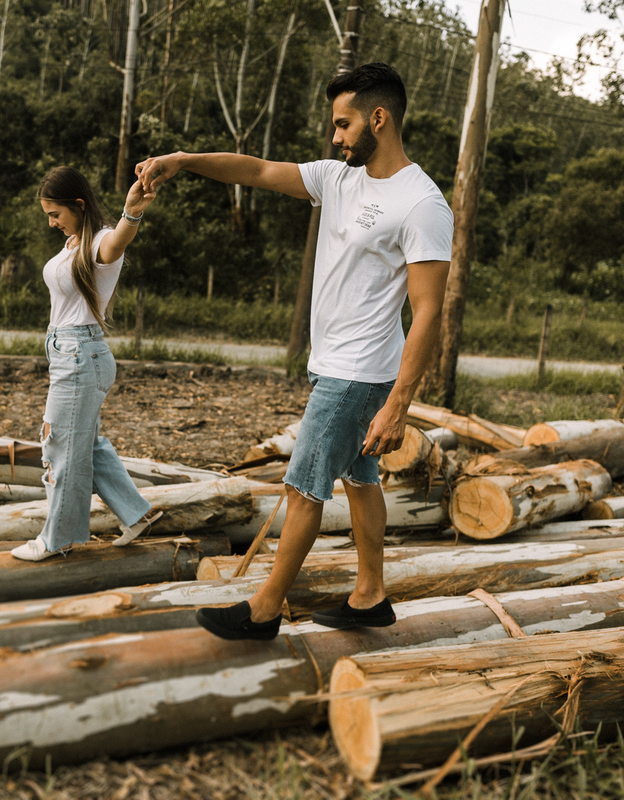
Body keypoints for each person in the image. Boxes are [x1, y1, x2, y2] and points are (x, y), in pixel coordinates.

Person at [135, 63, 453, 638]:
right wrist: (183, 160)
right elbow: (256, 170)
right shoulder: (337, 178)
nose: (335, 135)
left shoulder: (421, 203)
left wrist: (399, 404)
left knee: (302, 487)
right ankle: (370, 595)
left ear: (379, 119)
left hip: (358, 373)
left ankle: (264, 609)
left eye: (344, 123)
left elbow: (429, 309)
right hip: (338, 365)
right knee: (360, 479)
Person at [11, 166, 164, 562]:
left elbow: (118, 242)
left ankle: (57, 539)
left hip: (79, 356)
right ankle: (137, 514)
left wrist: (133, 212)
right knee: (85, 446)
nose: (51, 222)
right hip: (70, 355)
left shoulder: (99, 243)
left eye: (55, 214)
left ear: (78, 205)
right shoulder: (73, 243)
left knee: (60, 447)